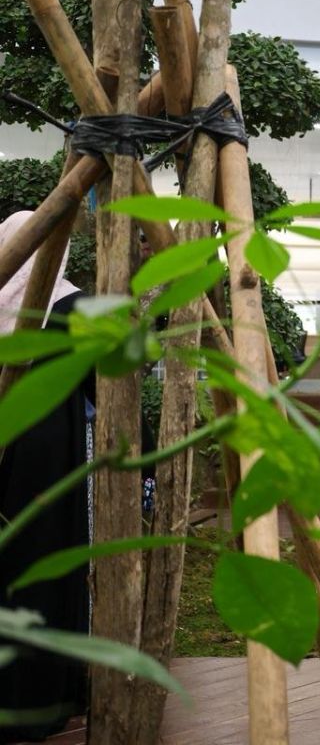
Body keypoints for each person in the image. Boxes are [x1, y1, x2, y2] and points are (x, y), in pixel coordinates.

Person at [0, 211, 92, 743]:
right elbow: (110, 381)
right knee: (45, 569)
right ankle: (40, 700)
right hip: (46, 458)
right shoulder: (70, 306)